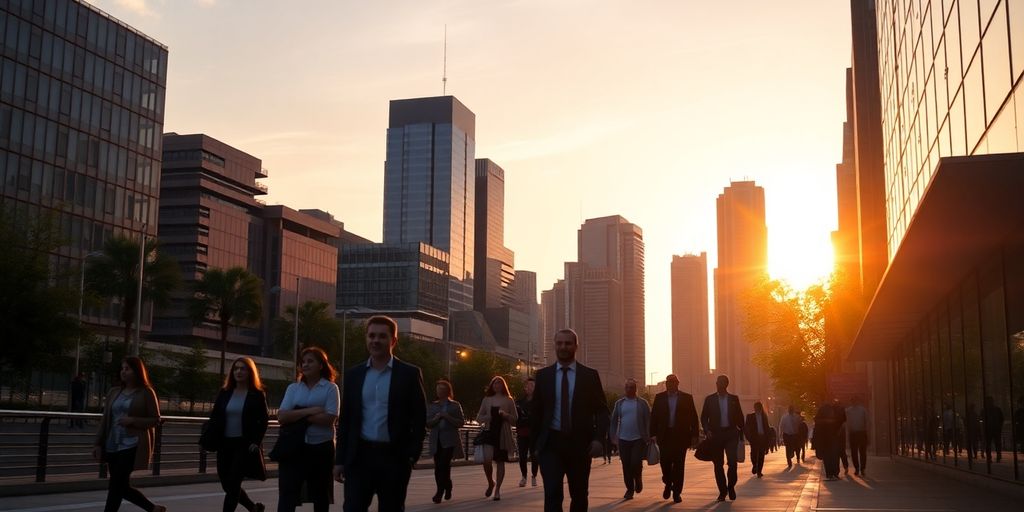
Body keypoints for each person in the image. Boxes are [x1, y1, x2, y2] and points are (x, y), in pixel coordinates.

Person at [334, 315, 427, 512]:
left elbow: (419, 417)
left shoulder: (409, 374)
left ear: (393, 340)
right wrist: (340, 460)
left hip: (394, 458)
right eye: (372, 336)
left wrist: (412, 455)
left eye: (382, 336)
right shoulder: (353, 375)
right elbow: (346, 420)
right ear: (366, 338)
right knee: (352, 508)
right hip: (359, 457)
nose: (376, 341)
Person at [530, 328, 609, 512]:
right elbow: (536, 413)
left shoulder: (589, 376)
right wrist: (535, 446)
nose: (563, 347)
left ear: (576, 346)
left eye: (568, 343)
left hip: (580, 445)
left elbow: (602, 411)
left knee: (580, 495)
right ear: (554, 346)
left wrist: (598, 439)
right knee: (552, 494)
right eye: (559, 343)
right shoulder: (543, 376)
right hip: (550, 445)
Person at [92, 357, 165, 512]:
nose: (123, 372)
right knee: (120, 486)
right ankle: (153, 509)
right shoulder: (114, 392)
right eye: (122, 368)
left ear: (137, 371)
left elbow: (155, 419)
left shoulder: (146, 392)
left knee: (116, 485)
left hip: (132, 443)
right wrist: (98, 443)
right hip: (113, 443)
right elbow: (105, 420)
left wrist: (133, 420)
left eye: (127, 369)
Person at [277, 347, 340, 512]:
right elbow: (282, 417)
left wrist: (297, 414)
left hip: (321, 447)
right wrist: (311, 411)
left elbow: (329, 419)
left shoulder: (330, 388)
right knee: (287, 494)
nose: (305, 365)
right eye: (303, 362)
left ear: (321, 365)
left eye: (310, 361)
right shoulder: (293, 388)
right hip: (294, 447)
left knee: (320, 496)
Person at [207, 357, 269, 512]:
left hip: (244, 444)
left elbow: (263, 420)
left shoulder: (257, 394)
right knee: (226, 483)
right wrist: (207, 439)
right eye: (236, 368)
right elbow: (215, 417)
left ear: (250, 372)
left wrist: (256, 441)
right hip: (224, 443)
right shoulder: (225, 392)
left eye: (243, 369)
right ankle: (253, 507)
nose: (239, 372)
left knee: (234, 483)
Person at [650, 374, 698, 503]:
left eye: (673, 382)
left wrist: (694, 435)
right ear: (666, 384)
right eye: (668, 382)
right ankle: (668, 483)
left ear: (677, 383)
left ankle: (677, 492)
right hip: (664, 436)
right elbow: (653, 417)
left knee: (679, 465)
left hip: (680, 437)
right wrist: (652, 434)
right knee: (665, 463)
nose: (670, 384)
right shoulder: (659, 398)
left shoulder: (687, 398)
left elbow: (694, 417)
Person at [700, 375, 744, 502]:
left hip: (731, 434)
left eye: (721, 383)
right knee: (718, 464)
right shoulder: (709, 399)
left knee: (732, 462)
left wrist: (741, 430)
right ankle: (722, 491)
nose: (718, 385)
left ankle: (731, 486)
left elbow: (740, 417)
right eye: (717, 383)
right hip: (716, 435)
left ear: (726, 384)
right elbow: (704, 417)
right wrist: (707, 430)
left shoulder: (734, 399)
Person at [610, 378, 651, 500]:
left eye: (632, 387)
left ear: (636, 389)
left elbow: (648, 420)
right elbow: (613, 421)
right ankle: (629, 489)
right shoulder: (619, 403)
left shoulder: (643, 403)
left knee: (635, 462)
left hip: (639, 438)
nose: (629, 389)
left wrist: (649, 436)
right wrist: (613, 437)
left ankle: (638, 478)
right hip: (623, 439)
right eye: (627, 387)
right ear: (625, 389)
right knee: (626, 464)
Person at [477, 376, 517, 501]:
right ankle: (491, 482)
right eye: (495, 383)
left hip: (503, 434)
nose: (497, 385)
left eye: (499, 383)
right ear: (492, 386)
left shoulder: (509, 400)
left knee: (500, 461)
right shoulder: (487, 399)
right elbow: (479, 417)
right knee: (487, 460)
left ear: (503, 386)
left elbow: (515, 420)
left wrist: (505, 415)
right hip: (489, 432)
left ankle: (498, 489)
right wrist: (487, 418)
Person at [426, 378, 465, 503]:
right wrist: (437, 418)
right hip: (436, 440)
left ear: (447, 391)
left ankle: (440, 491)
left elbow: (460, 422)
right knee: (438, 467)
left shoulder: (454, 405)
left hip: (449, 440)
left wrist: (447, 417)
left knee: (444, 464)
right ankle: (445, 487)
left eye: (442, 389)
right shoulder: (433, 406)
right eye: (438, 389)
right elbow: (428, 423)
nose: (439, 391)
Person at [515, 376, 539, 487]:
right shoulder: (519, 402)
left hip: (534, 433)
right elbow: (515, 416)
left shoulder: (538, 402)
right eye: (527, 385)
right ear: (524, 387)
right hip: (522, 432)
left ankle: (534, 475)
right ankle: (523, 476)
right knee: (522, 456)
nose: (529, 387)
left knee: (535, 455)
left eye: (532, 385)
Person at [814, 398, 847, 480]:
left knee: (829, 456)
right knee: (833, 455)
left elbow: (817, 421)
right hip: (832, 436)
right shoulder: (835, 409)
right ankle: (834, 473)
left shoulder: (825, 409)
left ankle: (830, 473)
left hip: (827, 436)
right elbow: (842, 420)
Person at [744, 401, 771, 478]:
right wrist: (749, 438)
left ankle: (759, 471)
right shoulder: (750, 416)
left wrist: (767, 438)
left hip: (762, 437)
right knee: (754, 453)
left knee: (761, 455)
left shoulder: (764, 416)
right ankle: (754, 465)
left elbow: (767, 428)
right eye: (756, 407)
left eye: (759, 407)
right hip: (754, 438)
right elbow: (746, 428)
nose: (757, 409)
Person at [846, 395, 869, 476]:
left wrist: (867, 432)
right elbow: (847, 424)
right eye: (853, 401)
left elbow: (867, 422)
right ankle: (857, 468)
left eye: (855, 400)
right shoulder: (848, 411)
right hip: (854, 433)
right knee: (855, 452)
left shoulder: (862, 410)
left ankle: (862, 469)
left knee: (861, 452)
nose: (854, 402)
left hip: (861, 432)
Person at [982, 395, 1004, 463]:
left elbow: (1001, 419)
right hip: (992, 429)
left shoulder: (986, 410)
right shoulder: (996, 409)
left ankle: (995, 456)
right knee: (993, 443)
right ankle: (994, 456)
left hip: (992, 429)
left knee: (993, 443)